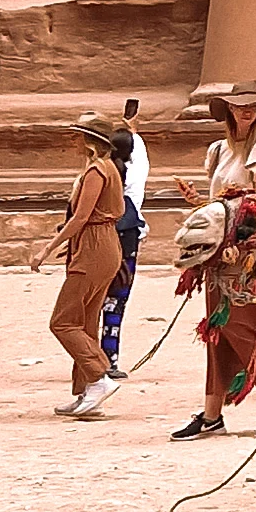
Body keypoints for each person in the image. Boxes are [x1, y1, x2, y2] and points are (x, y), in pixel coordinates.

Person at [173, 84, 256, 442]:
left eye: (253, 106)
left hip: (247, 251)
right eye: (240, 106)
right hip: (217, 248)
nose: (247, 112)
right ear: (228, 109)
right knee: (217, 326)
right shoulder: (219, 150)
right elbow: (217, 203)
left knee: (242, 322)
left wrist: (243, 232)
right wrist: (199, 201)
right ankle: (212, 414)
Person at [33, 128, 126, 413]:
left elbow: (81, 216)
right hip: (102, 245)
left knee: (63, 321)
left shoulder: (97, 171)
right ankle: (87, 391)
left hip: (94, 246)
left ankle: (99, 376)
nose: (72, 141)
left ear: (89, 141)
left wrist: (46, 249)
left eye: (77, 137)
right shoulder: (106, 168)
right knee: (86, 321)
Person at [100, 102, 148, 369]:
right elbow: (139, 155)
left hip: (99, 243)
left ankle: (88, 359)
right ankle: (110, 357)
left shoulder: (102, 173)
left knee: (93, 301)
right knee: (116, 303)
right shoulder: (134, 178)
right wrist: (133, 129)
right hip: (127, 240)